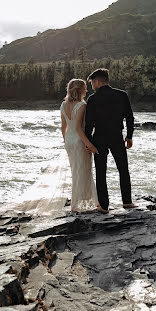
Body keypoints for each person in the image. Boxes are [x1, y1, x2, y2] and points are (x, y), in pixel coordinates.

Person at [85, 68, 135, 214]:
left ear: (98, 82)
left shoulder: (93, 99)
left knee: (101, 172)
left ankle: (104, 206)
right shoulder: (122, 95)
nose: (92, 87)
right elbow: (130, 117)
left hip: (99, 138)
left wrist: (88, 143)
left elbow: (89, 124)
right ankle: (127, 202)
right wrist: (129, 136)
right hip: (117, 137)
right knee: (123, 169)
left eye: (92, 83)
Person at [60, 79, 99, 213]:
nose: (86, 90)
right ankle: (80, 204)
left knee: (75, 171)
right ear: (80, 90)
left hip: (69, 142)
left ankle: (78, 203)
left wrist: (66, 142)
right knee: (85, 170)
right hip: (79, 141)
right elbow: (78, 128)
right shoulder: (82, 105)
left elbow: (63, 127)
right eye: (84, 88)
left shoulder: (63, 105)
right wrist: (90, 145)